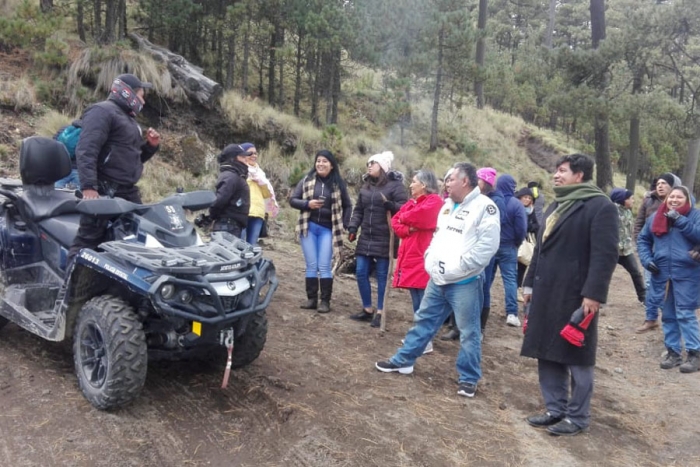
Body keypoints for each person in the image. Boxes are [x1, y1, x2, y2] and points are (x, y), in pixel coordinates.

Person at [375, 162, 500, 399]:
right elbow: (438, 237)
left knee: (469, 331)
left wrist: (461, 267)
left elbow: (488, 246)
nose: (446, 183)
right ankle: (404, 360)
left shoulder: (486, 207)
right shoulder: (446, 206)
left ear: (465, 181)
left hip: (464, 282)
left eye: (450, 179)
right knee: (423, 320)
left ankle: (468, 378)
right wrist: (430, 259)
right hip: (438, 277)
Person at [522, 154, 618, 436]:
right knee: (547, 351)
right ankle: (555, 409)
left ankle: (577, 417)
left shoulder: (600, 206)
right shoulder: (557, 204)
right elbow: (540, 249)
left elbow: (605, 255)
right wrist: (528, 285)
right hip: (546, 290)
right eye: (556, 170)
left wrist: (594, 294)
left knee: (577, 355)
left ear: (580, 175)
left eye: (562, 171)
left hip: (576, 295)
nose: (556, 175)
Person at [68, 73, 160, 264]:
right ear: (128, 93)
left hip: (127, 192)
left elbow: (132, 159)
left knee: (138, 239)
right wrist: (89, 187)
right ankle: (66, 291)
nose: (143, 101)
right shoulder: (102, 111)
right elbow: (86, 149)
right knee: (88, 240)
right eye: (141, 95)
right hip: (103, 189)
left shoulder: (130, 121)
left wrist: (150, 147)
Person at [637, 186, 700, 373]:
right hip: (661, 273)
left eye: (679, 197)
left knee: (686, 314)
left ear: (687, 200)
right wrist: (647, 260)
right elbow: (643, 240)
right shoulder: (655, 217)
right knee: (668, 315)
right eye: (671, 196)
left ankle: (694, 354)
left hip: (687, 272)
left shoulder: (694, 215)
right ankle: (673, 352)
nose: (674, 199)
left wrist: (679, 220)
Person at [442, 167, 504, 341]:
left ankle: (479, 327)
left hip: (482, 255)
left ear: (487, 183)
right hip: (462, 252)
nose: (476, 181)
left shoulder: (495, 202)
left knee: (482, 289)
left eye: (480, 179)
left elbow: (494, 230)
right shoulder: (467, 200)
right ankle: (455, 326)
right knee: (457, 285)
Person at [348, 151, 408, 327]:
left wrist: (393, 206)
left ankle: (381, 311)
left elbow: (405, 209)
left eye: (372, 163)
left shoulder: (395, 187)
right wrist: (353, 227)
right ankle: (367, 309)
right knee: (360, 272)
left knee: (382, 276)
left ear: (382, 167)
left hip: (386, 237)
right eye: (368, 163)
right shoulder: (366, 186)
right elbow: (359, 209)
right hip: (366, 235)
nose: (369, 166)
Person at [289, 150, 352, 313]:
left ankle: (325, 301)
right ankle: (311, 299)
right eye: (318, 161)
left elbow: (348, 205)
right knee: (311, 264)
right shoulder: (307, 180)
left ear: (331, 165)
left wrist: (345, 223)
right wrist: (307, 204)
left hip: (328, 230)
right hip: (308, 227)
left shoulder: (339, 184)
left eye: (324, 161)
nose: (320, 164)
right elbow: (293, 200)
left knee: (324, 265)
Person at [391, 169, 444, 354]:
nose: (411, 184)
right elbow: (395, 221)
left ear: (424, 184)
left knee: (424, 301)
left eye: (414, 181)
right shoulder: (412, 202)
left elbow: (417, 217)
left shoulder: (435, 201)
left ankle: (424, 340)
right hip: (411, 255)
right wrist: (409, 229)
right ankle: (421, 337)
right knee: (416, 298)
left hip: (423, 256)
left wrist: (407, 219)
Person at [634, 173, 680, 333]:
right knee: (650, 285)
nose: (660, 186)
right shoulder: (649, 200)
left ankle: (670, 318)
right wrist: (639, 242)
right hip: (651, 251)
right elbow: (639, 223)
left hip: (673, 254)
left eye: (664, 183)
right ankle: (652, 319)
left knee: (671, 290)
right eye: (658, 183)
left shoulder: (680, 203)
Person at [485, 173, 527, 328]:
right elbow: (522, 228)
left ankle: (482, 310)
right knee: (510, 280)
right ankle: (512, 313)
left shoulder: (491, 200)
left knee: (486, 280)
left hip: (490, 246)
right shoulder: (516, 204)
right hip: (509, 246)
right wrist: (516, 243)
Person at [208, 144, 252, 238]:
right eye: (242, 156)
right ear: (233, 159)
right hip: (227, 226)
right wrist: (211, 216)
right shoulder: (231, 176)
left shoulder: (234, 175)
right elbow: (220, 200)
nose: (246, 159)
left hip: (231, 226)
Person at [610, 188, 645, 304]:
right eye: (631, 198)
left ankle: (643, 297)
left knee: (636, 272)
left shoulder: (628, 212)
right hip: (612, 250)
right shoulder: (611, 211)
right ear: (622, 200)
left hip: (626, 251)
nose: (633, 201)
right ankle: (598, 298)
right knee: (603, 275)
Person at [241, 142, 279, 245]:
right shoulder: (239, 170)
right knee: (238, 247)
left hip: (258, 213)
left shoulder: (260, 174)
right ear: (242, 154)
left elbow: (267, 195)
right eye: (250, 153)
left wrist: (261, 182)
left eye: (255, 153)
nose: (253, 156)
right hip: (242, 212)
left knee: (251, 247)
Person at [515, 187, 540, 290]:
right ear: (520, 197)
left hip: (525, 242)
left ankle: (518, 287)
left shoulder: (531, 210)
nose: (527, 200)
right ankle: (513, 288)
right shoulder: (515, 207)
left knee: (522, 265)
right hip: (514, 241)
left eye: (529, 198)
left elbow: (536, 226)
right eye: (525, 197)